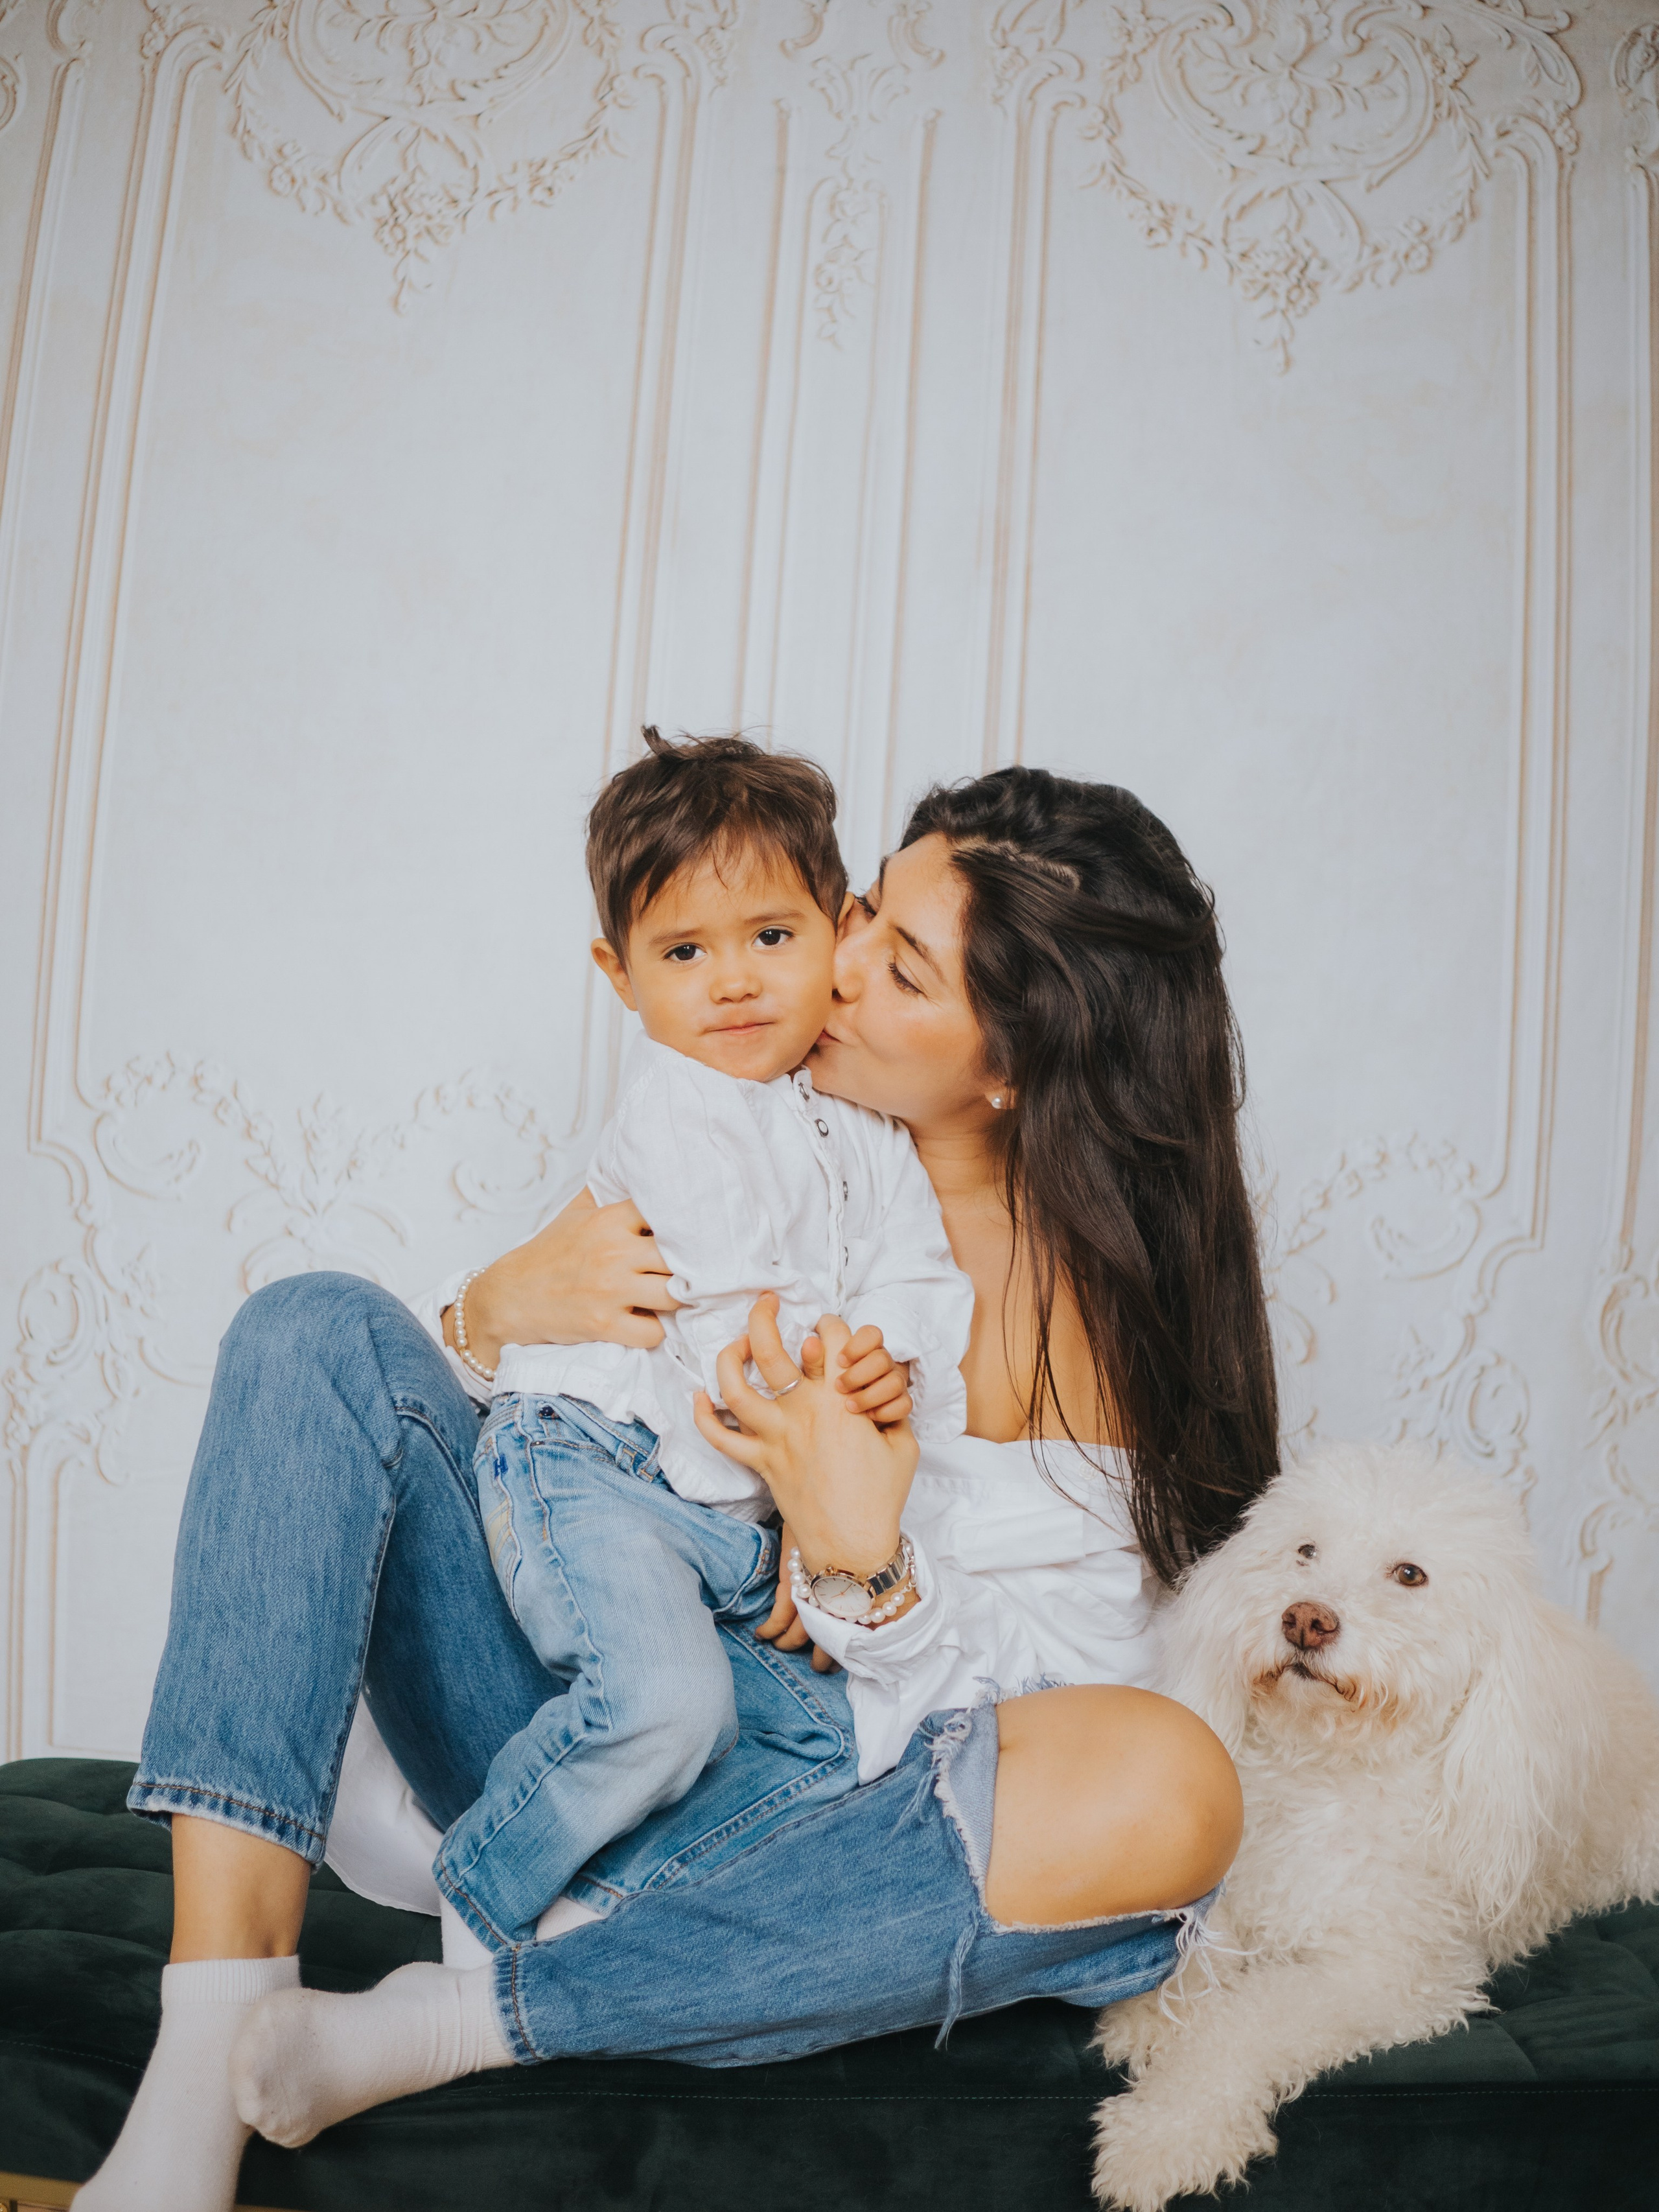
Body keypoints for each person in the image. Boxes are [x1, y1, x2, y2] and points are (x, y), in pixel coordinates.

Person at [75, 764, 1275, 2212]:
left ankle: (466, 2019)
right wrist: (490, 1312)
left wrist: (861, 1571)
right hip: (576, 1706)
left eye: (894, 966)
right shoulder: (746, 1117)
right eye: (858, 913)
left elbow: (1063, 1724)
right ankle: (206, 2050)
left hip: (806, 1829)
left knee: (1173, 1792)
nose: (824, 967)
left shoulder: (1095, 1328)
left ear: (1010, 1060)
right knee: (314, 1326)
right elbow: (538, 1456)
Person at [434, 729, 972, 1957]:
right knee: (667, 1709)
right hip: (592, 1462)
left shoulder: (860, 1118)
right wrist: (818, 1480)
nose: (732, 984)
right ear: (620, 975)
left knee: (850, 1744)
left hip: (725, 1500)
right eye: (684, 952)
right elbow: (740, 1323)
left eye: (771, 939)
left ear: (840, 928)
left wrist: (891, 1359)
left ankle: (608, 1896)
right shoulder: (679, 1103)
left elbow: (914, 1273)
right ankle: (477, 1898)